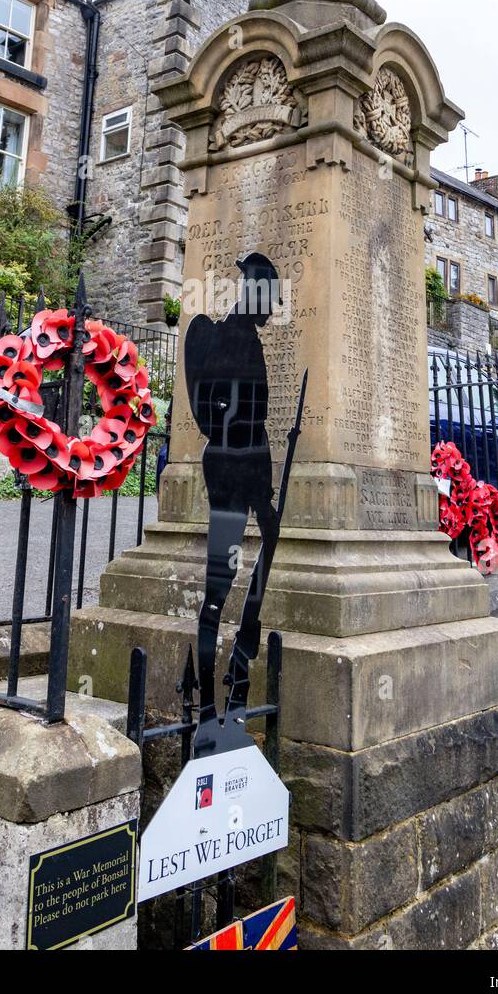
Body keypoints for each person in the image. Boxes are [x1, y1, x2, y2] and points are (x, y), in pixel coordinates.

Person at [184, 252, 281, 754]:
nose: (275, 306)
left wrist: (264, 491)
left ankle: (240, 669)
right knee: (218, 587)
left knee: (259, 560)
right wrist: (254, 482)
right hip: (230, 468)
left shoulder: (248, 340)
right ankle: (207, 708)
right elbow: (228, 420)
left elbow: (254, 422)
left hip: (248, 467)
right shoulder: (224, 337)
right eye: (271, 296)